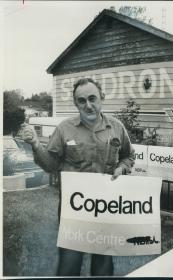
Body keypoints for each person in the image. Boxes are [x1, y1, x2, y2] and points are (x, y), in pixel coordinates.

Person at [22, 78, 135, 276]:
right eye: (81, 101)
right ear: (76, 104)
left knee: (103, 263)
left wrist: (122, 169)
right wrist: (35, 145)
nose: (88, 105)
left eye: (92, 98)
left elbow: (128, 156)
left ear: (102, 98)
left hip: (105, 208)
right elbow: (50, 165)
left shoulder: (117, 128)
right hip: (73, 210)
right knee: (69, 264)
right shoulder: (64, 129)